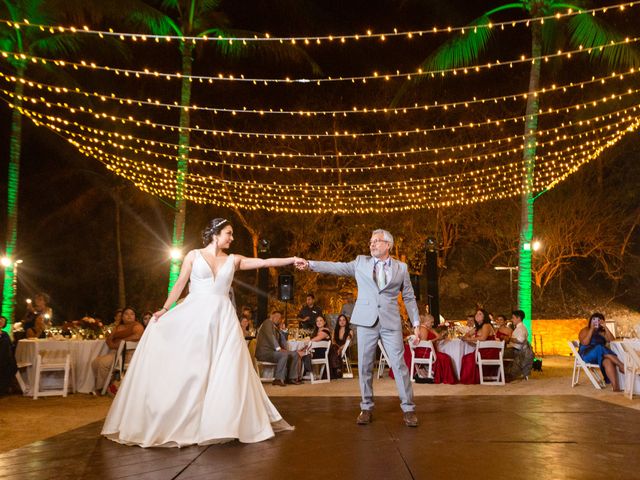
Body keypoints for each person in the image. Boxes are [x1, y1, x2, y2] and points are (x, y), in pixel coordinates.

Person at [102, 218, 298, 447]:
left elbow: (265, 262)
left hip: (223, 318)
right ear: (215, 233)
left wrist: (292, 259)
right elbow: (179, 284)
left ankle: (221, 422)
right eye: (229, 233)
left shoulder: (233, 260)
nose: (232, 238)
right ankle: (190, 421)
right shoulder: (193, 256)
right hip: (195, 314)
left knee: (226, 368)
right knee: (196, 366)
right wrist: (165, 309)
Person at [297, 228, 421, 427]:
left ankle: (408, 409)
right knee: (364, 366)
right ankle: (366, 407)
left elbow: (408, 296)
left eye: (377, 241)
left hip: (390, 322)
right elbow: (336, 267)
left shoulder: (402, 268)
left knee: (399, 365)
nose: (371, 244)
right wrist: (310, 264)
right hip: (365, 322)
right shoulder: (360, 262)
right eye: (371, 241)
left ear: (388, 245)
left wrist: (416, 323)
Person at [91, 307, 144, 394]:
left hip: (127, 354)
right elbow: (109, 339)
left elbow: (137, 336)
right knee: (95, 363)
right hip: (116, 352)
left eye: (132, 314)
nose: (129, 316)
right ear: (122, 317)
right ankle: (109, 385)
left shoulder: (137, 326)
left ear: (135, 316)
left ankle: (101, 389)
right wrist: (113, 345)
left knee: (102, 363)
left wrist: (121, 342)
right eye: (126, 314)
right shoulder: (118, 327)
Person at [578, 312, 624, 391]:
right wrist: (592, 329)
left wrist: (605, 327)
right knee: (599, 347)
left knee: (608, 361)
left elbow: (612, 341)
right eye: (594, 320)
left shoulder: (602, 332)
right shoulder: (585, 330)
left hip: (600, 356)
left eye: (599, 320)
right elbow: (585, 343)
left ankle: (616, 388)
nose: (596, 322)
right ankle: (621, 365)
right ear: (590, 321)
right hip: (587, 354)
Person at [255, 310, 301, 386]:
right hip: (264, 353)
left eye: (280, 318)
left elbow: (283, 342)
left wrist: (281, 330)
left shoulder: (275, 328)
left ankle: (291, 378)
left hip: (273, 353)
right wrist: (279, 349)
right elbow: (271, 337)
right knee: (283, 355)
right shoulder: (267, 323)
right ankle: (278, 379)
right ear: (271, 316)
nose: (278, 319)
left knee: (295, 354)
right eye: (276, 317)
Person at [459, 309, 498, 384]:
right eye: (476, 314)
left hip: (489, 352)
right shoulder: (477, 327)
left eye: (480, 314)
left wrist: (469, 339)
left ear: (484, 316)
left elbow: (483, 338)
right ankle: (472, 378)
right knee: (466, 357)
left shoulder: (486, 325)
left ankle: (472, 379)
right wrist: (466, 337)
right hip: (482, 351)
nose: (477, 315)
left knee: (468, 358)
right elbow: (467, 334)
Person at [505, 310, 534, 381]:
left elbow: (520, 341)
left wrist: (509, 339)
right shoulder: (519, 328)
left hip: (515, 351)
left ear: (519, 318)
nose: (512, 320)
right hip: (514, 349)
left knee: (497, 354)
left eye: (513, 318)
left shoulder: (521, 328)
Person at [0, 316, 17, 395]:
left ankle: (4, 389)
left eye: (3, 321)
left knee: (12, 366)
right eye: (0, 320)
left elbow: (10, 346)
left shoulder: (5, 334)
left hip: (5, 358)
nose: (1, 322)